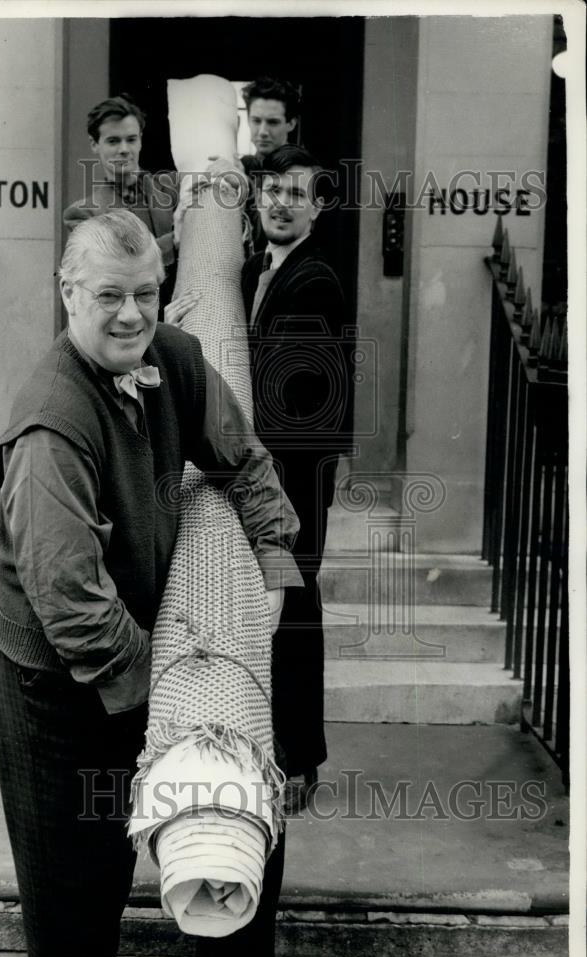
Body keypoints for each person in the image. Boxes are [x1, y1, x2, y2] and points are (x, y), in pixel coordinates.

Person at [0, 209, 304, 957]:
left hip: (137, 648)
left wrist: (275, 564)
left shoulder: (175, 358)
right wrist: (181, 699)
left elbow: (245, 463)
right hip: (52, 684)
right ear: (68, 293)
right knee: (75, 901)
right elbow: (73, 607)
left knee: (242, 844)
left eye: (147, 294)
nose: (132, 315)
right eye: (108, 296)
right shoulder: (51, 427)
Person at [242, 144, 354, 807]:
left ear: (315, 207)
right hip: (278, 477)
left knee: (291, 608)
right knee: (281, 606)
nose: (280, 202)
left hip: (294, 480)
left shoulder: (314, 280)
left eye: (294, 193)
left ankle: (296, 759)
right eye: (271, 191)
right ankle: (285, 751)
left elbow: (278, 388)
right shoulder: (266, 267)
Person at [63, 95, 179, 299]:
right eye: (113, 141)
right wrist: (177, 239)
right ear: (94, 144)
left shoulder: (172, 187)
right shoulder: (83, 214)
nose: (124, 149)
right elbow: (123, 264)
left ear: (141, 140)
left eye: (131, 139)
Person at [240, 78, 301, 255]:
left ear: (291, 123)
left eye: (272, 122)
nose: (263, 132)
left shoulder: (303, 172)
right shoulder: (243, 167)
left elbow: (271, 237)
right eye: (256, 121)